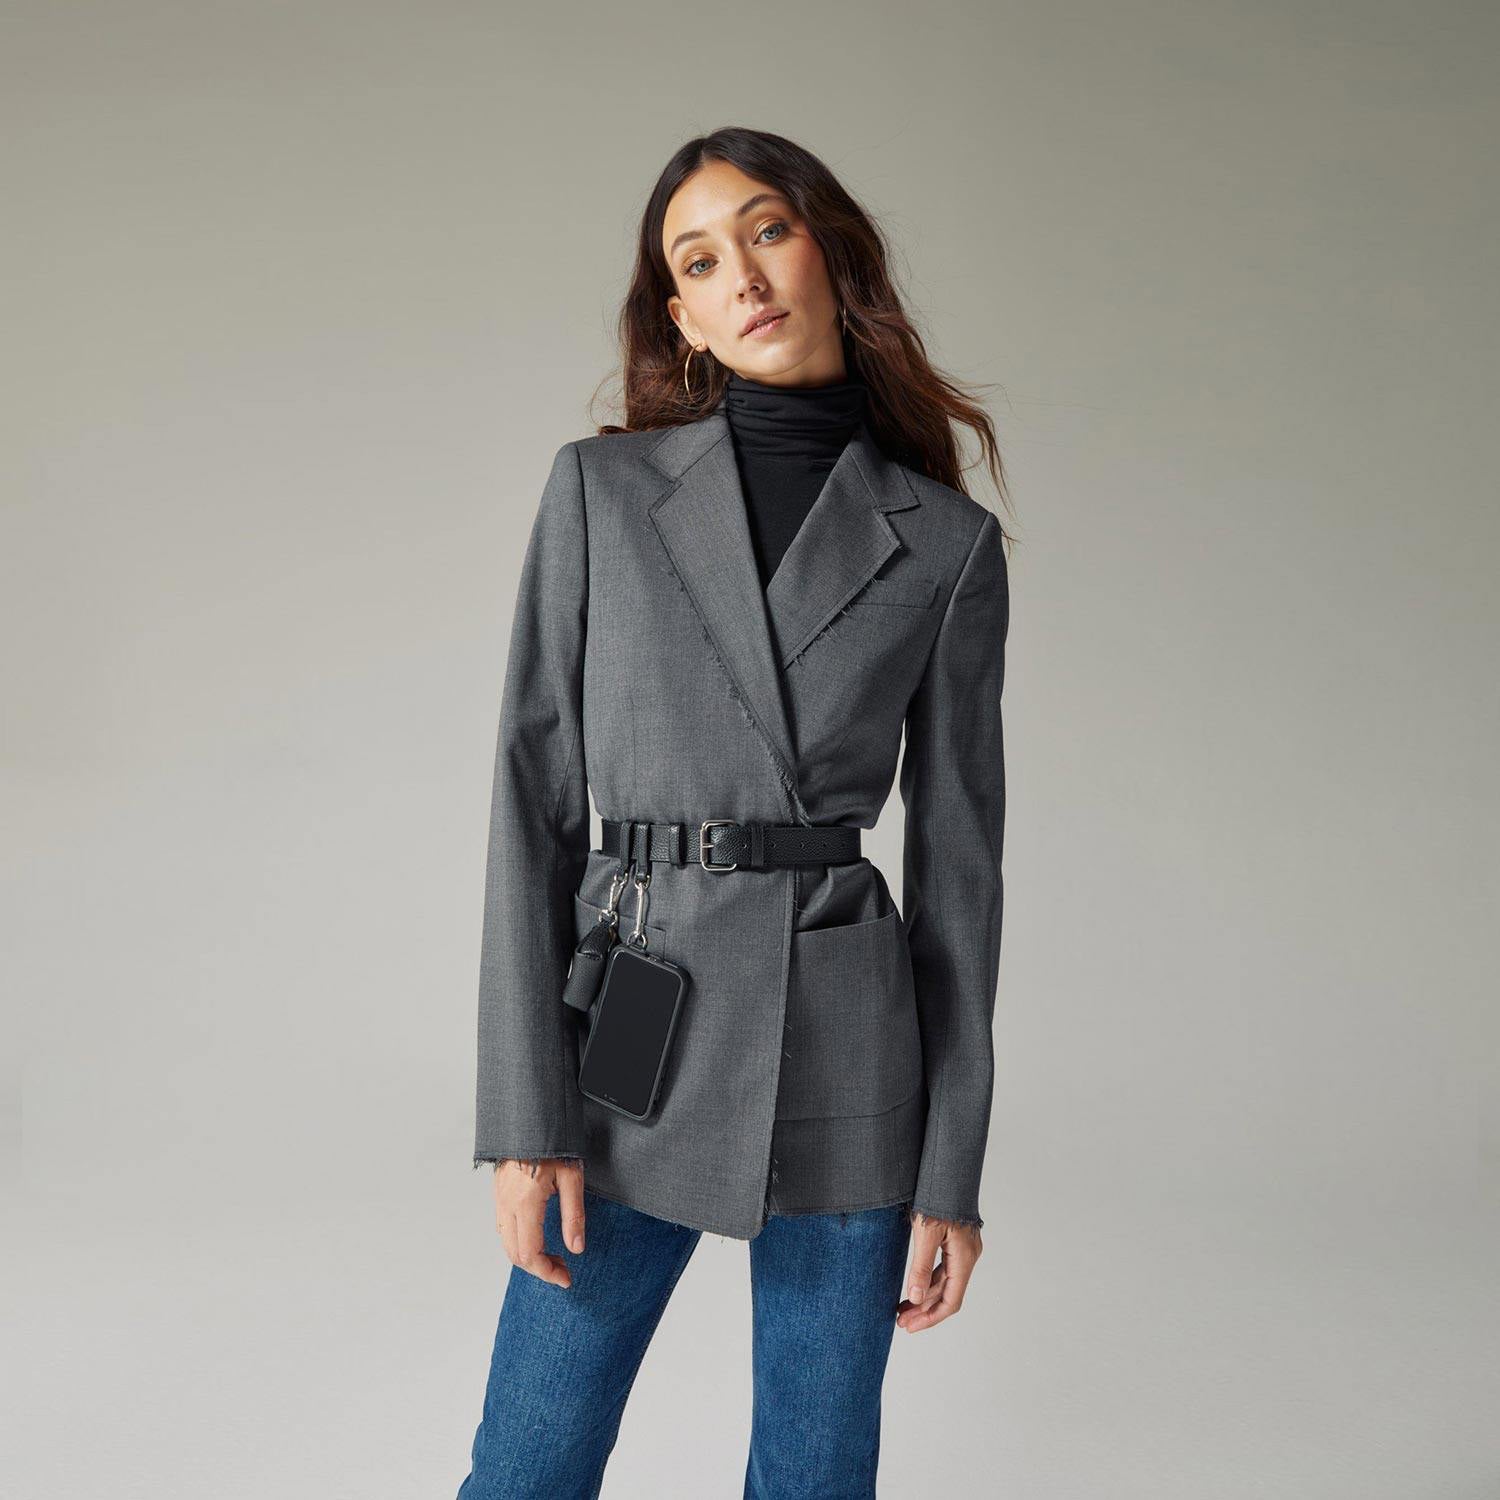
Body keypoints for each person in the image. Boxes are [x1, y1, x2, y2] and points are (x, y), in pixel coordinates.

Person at [457, 125, 1013, 1499]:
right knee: (526, 1467)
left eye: (767, 231)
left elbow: (961, 872)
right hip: (636, 1012)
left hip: (848, 1039)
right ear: (683, 320)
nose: (743, 276)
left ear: (833, 253)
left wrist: (952, 1170)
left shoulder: (944, 545)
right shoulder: (601, 495)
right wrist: (524, 1120)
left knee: (816, 1478)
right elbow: (532, 801)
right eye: (699, 261)